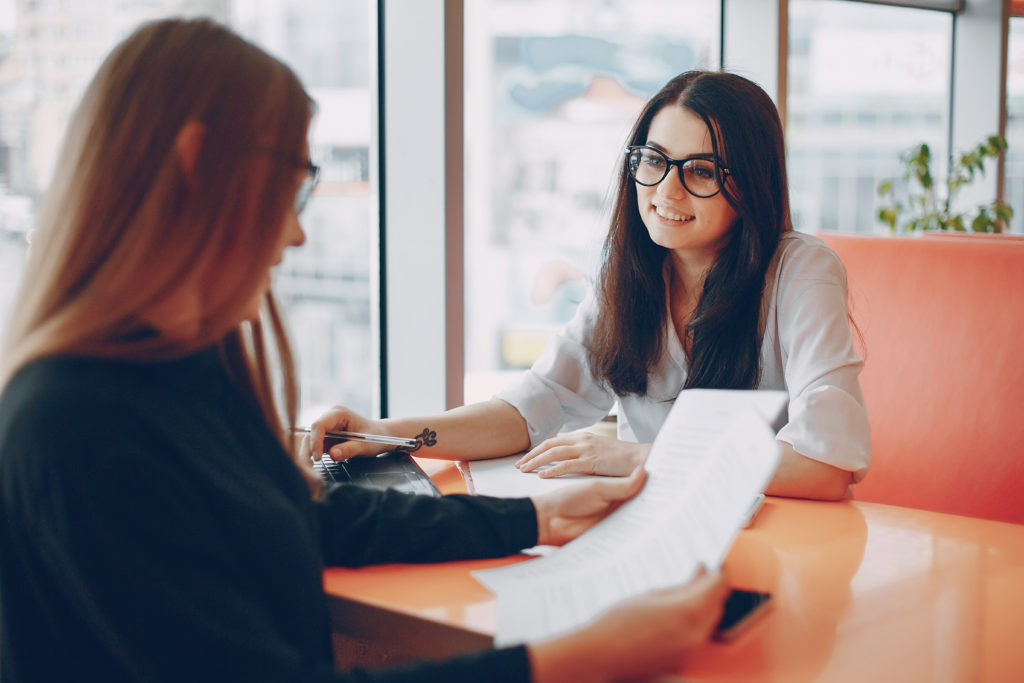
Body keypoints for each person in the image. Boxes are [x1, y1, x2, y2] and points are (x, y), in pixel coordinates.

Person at [0, 18, 731, 683]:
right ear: (196, 162)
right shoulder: (73, 424)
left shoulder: (180, 369)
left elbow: (301, 519)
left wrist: (535, 519)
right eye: (292, 188)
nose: (297, 235)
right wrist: (577, 658)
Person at [309, 71, 870, 501]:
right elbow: (531, 408)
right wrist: (385, 434)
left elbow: (826, 466)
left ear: (751, 182)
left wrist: (637, 458)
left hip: (779, 542)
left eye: (700, 170)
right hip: (655, 529)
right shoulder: (630, 274)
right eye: (653, 160)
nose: (665, 191)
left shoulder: (801, 272)